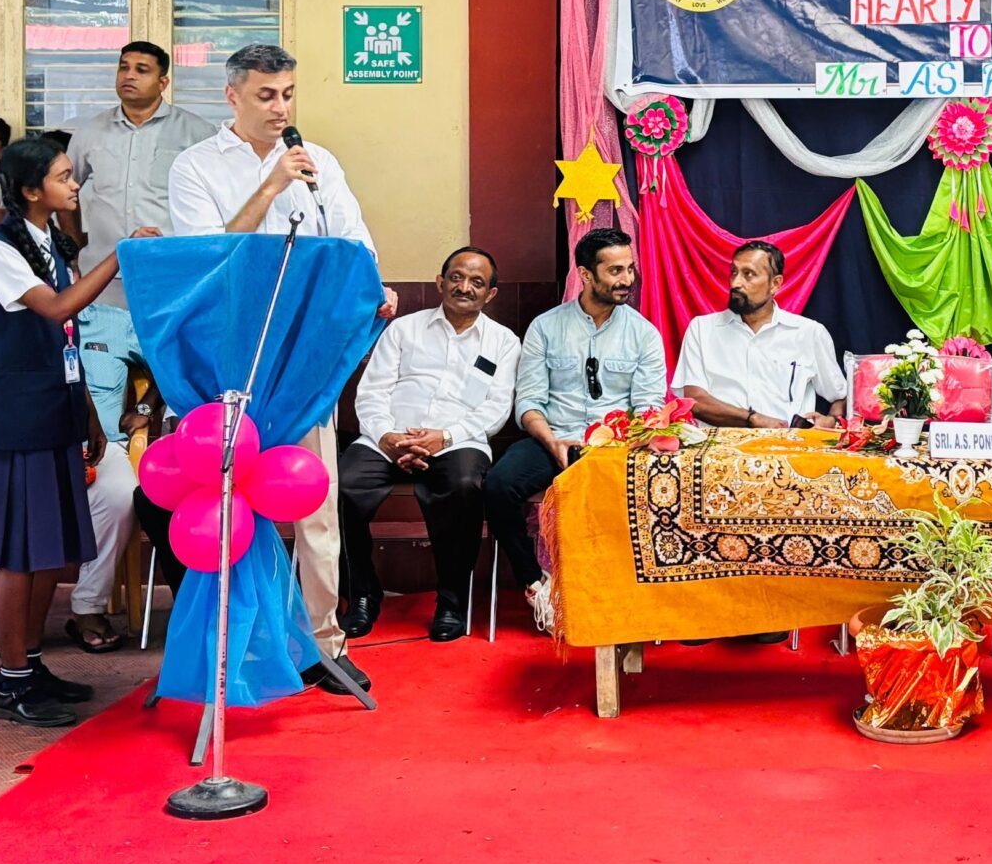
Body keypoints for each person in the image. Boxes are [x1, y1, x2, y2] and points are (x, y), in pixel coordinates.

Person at [169, 43, 397, 695]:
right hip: (233, 358)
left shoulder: (319, 160)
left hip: (305, 352)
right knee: (230, 503)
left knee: (315, 502)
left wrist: (373, 287)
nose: (281, 108)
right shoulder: (195, 166)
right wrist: (270, 185)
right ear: (232, 95)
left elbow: (352, 242)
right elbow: (207, 258)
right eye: (266, 95)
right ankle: (237, 643)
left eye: (289, 94)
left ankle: (324, 645)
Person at [0, 136, 151, 726]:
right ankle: (12, 682)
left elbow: (67, 342)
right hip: (16, 418)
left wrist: (88, 411)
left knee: (46, 550)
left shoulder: (49, 244)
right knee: (18, 553)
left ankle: (32, 664)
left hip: (55, 411)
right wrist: (120, 256)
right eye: (64, 176)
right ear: (30, 190)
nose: (74, 185)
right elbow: (57, 309)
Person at [57, 43, 216, 651]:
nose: (128, 77)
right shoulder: (90, 133)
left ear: (164, 80)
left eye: (141, 69)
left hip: (169, 296)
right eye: (122, 67)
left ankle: (195, 597)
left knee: (175, 407)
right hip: (98, 293)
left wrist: (146, 408)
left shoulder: (196, 134)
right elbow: (69, 199)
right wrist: (80, 255)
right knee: (100, 418)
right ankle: (86, 606)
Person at [484, 229, 665, 634]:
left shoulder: (644, 334)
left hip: (614, 448)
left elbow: (648, 409)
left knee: (657, 487)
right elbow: (529, 403)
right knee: (498, 486)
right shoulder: (546, 327)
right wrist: (554, 443)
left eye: (630, 269)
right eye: (615, 270)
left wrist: (611, 445)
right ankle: (537, 584)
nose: (627, 279)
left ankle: (627, 592)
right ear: (585, 274)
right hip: (553, 438)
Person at [341, 247, 520, 644]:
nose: (465, 287)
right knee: (343, 488)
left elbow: (496, 408)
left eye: (477, 282)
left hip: (458, 440)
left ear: (490, 294)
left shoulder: (504, 342)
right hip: (388, 436)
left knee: (464, 486)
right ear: (441, 282)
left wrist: (444, 437)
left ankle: (451, 602)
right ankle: (361, 594)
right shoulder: (404, 329)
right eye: (456, 277)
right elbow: (372, 391)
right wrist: (387, 436)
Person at [671, 240, 847, 429]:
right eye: (734, 272)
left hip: (788, 443)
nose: (736, 283)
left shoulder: (809, 333)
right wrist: (752, 419)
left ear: (775, 284)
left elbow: (841, 396)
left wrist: (832, 420)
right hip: (720, 444)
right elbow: (695, 401)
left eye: (749, 274)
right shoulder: (702, 329)